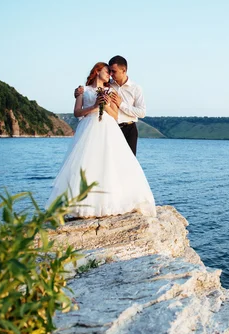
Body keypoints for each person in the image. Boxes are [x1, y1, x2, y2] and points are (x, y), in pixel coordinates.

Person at [48, 62, 156, 218]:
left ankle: (110, 202)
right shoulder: (82, 90)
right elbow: (77, 113)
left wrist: (104, 106)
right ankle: (82, 204)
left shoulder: (110, 90)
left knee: (109, 164)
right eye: (107, 71)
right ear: (97, 71)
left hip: (108, 128)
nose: (109, 75)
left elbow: (114, 115)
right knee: (87, 163)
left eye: (111, 72)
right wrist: (94, 106)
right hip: (88, 128)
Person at [75, 55, 145, 155]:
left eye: (114, 71)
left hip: (129, 129)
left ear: (124, 71)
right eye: (109, 71)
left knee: (129, 161)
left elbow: (142, 112)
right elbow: (93, 88)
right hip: (110, 128)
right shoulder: (108, 84)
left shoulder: (136, 88)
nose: (111, 74)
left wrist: (121, 104)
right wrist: (78, 92)